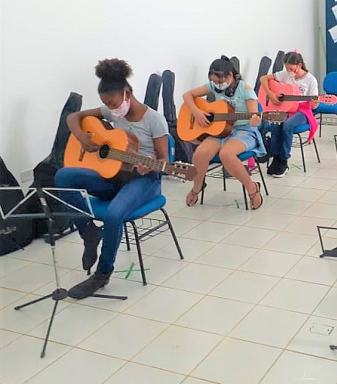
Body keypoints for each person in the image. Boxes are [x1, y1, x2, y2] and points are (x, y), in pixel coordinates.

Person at [55, 58, 169, 298]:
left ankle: (102, 274)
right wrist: (82, 138)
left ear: (127, 93)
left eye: (113, 103)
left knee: (114, 214)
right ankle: (88, 232)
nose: (110, 108)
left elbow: (164, 162)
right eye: (106, 104)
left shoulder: (154, 119)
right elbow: (73, 117)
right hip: (113, 177)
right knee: (63, 176)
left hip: (144, 181)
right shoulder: (110, 111)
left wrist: (150, 167)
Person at [183, 56, 265, 208]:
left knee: (226, 154)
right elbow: (187, 95)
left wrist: (255, 120)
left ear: (230, 76)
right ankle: (197, 187)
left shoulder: (245, 89)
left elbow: (254, 116)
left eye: (219, 82)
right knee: (200, 154)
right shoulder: (213, 86)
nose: (217, 85)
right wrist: (196, 112)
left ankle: (252, 188)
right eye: (214, 81)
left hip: (244, 131)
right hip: (221, 129)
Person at [259, 51, 319, 177]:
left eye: (291, 68)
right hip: (286, 108)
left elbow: (314, 104)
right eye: (286, 68)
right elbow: (263, 78)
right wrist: (271, 94)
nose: (289, 71)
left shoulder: (310, 80)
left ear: (299, 65)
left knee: (287, 125)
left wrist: (315, 103)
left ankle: (284, 160)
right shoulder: (286, 74)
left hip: (303, 111)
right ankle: (275, 157)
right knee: (275, 123)